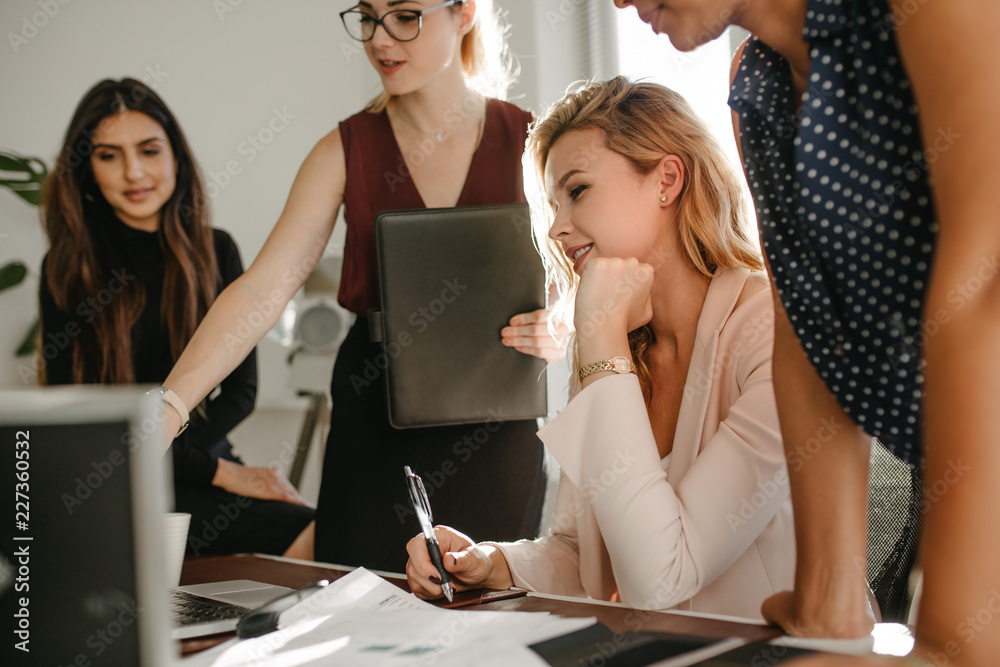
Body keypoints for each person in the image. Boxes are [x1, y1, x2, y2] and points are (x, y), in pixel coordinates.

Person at [615, 1, 1000, 665]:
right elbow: (806, 320)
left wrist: (952, 636)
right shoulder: (757, 88)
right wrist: (828, 598)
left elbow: (983, 287)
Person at [156, 1, 557, 573]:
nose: (380, 40)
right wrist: (170, 407)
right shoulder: (344, 149)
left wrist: (560, 322)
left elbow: (589, 277)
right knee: (359, 601)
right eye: (367, 16)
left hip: (498, 412)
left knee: (482, 604)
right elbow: (263, 289)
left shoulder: (532, 139)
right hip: (374, 415)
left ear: (464, 11)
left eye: (405, 16)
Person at [406, 77, 796, 620]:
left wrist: (601, 346)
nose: (559, 229)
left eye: (578, 191)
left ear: (667, 179)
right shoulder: (614, 344)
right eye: (552, 205)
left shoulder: (775, 335)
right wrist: (494, 562)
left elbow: (659, 578)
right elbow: (584, 557)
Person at [38, 78, 315, 556]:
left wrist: (206, 468)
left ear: (176, 158)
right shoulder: (65, 269)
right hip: (114, 482)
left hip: (200, 469)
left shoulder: (217, 250)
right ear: (85, 170)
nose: (134, 173)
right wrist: (222, 473)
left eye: (149, 150)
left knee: (322, 537)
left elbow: (241, 395)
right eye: (109, 155)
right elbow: (82, 417)